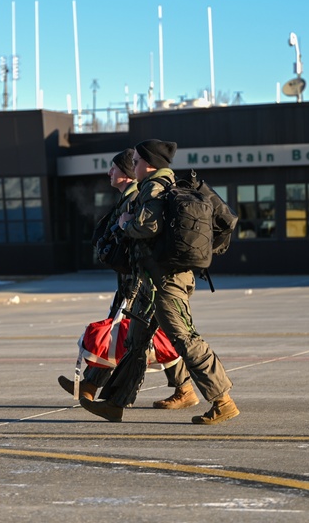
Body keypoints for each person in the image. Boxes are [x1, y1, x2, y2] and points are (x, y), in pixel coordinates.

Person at [80, 139, 239, 425]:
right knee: (134, 342)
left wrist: (126, 221)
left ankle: (222, 400)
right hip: (152, 283)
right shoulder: (160, 185)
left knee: (184, 338)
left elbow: (146, 226)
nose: (135, 166)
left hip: (165, 283)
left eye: (138, 162)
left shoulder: (154, 187)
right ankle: (115, 403)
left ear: (149, 164)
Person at [57, 149, 195, 408]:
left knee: (140, 335)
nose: (109, 173)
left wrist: (121, 230)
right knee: (122, 331)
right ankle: (91, 383)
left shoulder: (136, 198)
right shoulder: (129, 198)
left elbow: (139, 236)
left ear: (127, 173)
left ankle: (183, 388)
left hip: (139, 279)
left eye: (114, 168)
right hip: (131, 278)